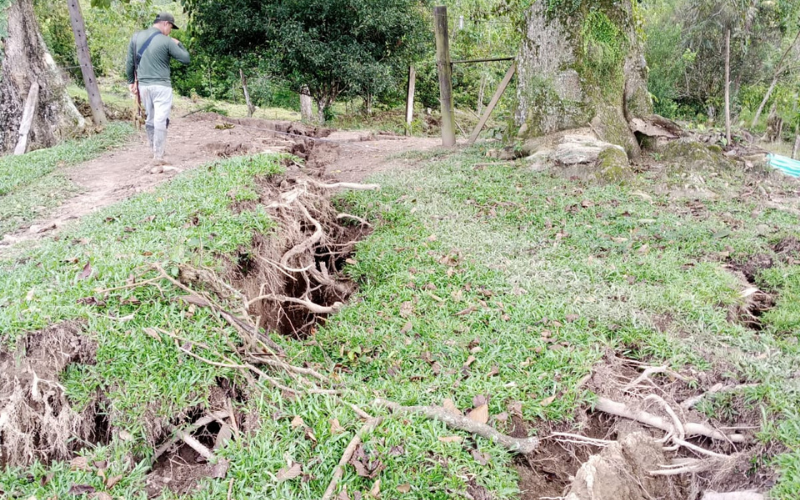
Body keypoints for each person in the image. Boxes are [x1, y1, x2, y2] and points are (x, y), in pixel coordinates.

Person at [125, 13, 190, 166]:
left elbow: (130, 62)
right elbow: (186, 59)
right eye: (171, 28)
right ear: (166, 24)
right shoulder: (167, 41)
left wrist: (130, 81)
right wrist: (178, 43)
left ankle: (153, 148)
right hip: (162, 86)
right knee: (160, 119)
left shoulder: (136, 37)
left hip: (144, 86)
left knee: (150, 118)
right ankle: (158, 155)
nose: (170, 32)